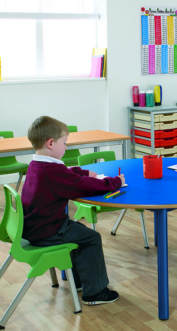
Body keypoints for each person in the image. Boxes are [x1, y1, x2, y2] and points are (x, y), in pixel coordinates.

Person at [21, 116, 123, 305]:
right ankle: (95, 292)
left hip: (36, 226)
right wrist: (115, 182)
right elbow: (82, 186)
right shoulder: (51, 171)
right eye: (65, 143)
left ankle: (78, 281)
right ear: (51, 143)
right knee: (91, 238)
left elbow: (66, 175)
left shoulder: (37, 165)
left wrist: (82, 172)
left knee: (78, 230)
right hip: (47, 230)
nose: (66, 147)